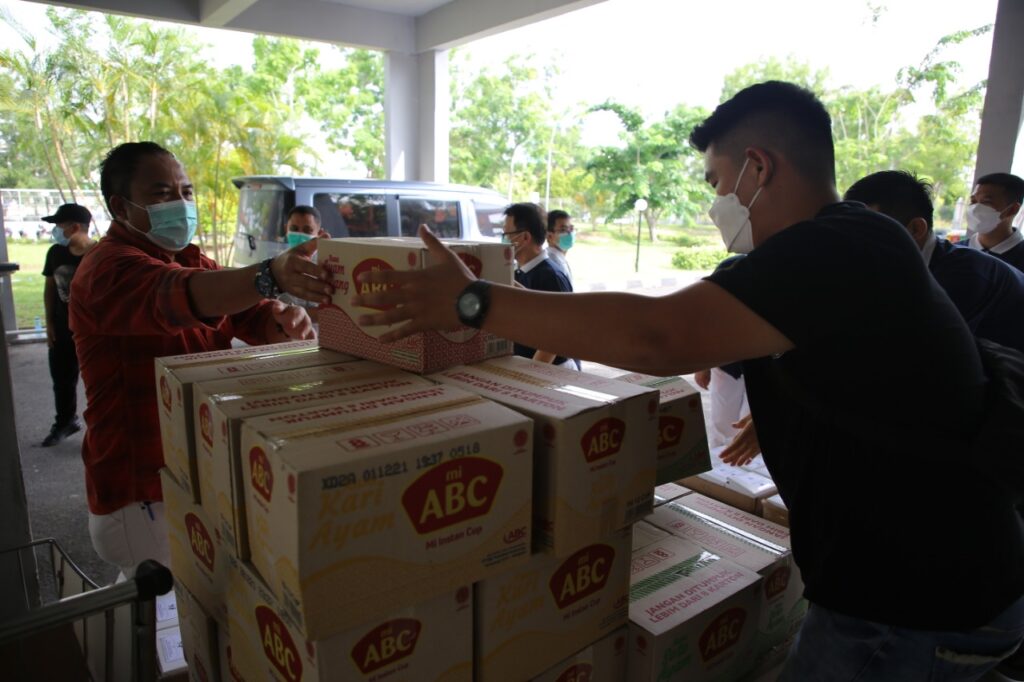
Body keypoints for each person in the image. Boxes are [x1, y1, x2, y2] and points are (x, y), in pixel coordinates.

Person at [350, 81, 1024, 680]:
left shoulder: (834, 247)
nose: (715, 203)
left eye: (715, 181)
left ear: (759, 167)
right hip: (922, 580)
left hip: (914, 603)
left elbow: (659, 336)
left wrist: (473, 301)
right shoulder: (848, 246)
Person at [70, 142, 331, 579]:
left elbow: (247, 313)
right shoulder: (107, 269)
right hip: (143, 495)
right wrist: (270, 275)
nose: (180, 204)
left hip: (190, 473)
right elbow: (183, 296)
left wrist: (283, 321)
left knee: (176, 614)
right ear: (121, 206)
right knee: (176, 610)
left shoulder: (187, 258)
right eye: (161, 194)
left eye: (187, 192)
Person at [845, 170, 1024, 353]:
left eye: (869, 231)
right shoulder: (909, 265)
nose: (856, 242)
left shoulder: (967, 277)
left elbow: (924, 353)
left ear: (916, 229)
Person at [40, 203, 96, 447]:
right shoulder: (55, 253)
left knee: (98, 383)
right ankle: (65, 422)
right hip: (63, 329)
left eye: (59, 226)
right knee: (62, 379)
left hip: (94, 333)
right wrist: (50, 322)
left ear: (75, 227)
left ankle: (100, 431)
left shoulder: (100, 253)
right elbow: (50, 287)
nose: (56, 231)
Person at [502, 203, 575, 367]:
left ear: (525, 238)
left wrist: (531, 374)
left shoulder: (551, 277)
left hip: (549, 373)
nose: (503, 240)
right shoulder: (518, 272)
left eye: (506, 234)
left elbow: (555, 338)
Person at [966, 172, 1024, 272]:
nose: (975, 209)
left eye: (986, 202)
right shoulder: (957, 251)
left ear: (1012, 209)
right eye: (973, 201)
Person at [280, 205, 329, 321]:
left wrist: (292, 314)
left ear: (319, 233)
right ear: (286, 229)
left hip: (318, 335)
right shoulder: (276, 263)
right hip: (285, 337)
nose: (299, 234)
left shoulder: (327, 264)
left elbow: (331, 313)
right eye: (294, 229)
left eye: (307, 230)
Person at [545, 209, 574, 280]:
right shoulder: (554, 264)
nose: (570, 233)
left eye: (571, 228)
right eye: (563, 230)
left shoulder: (560, 259)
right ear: (549, 236)